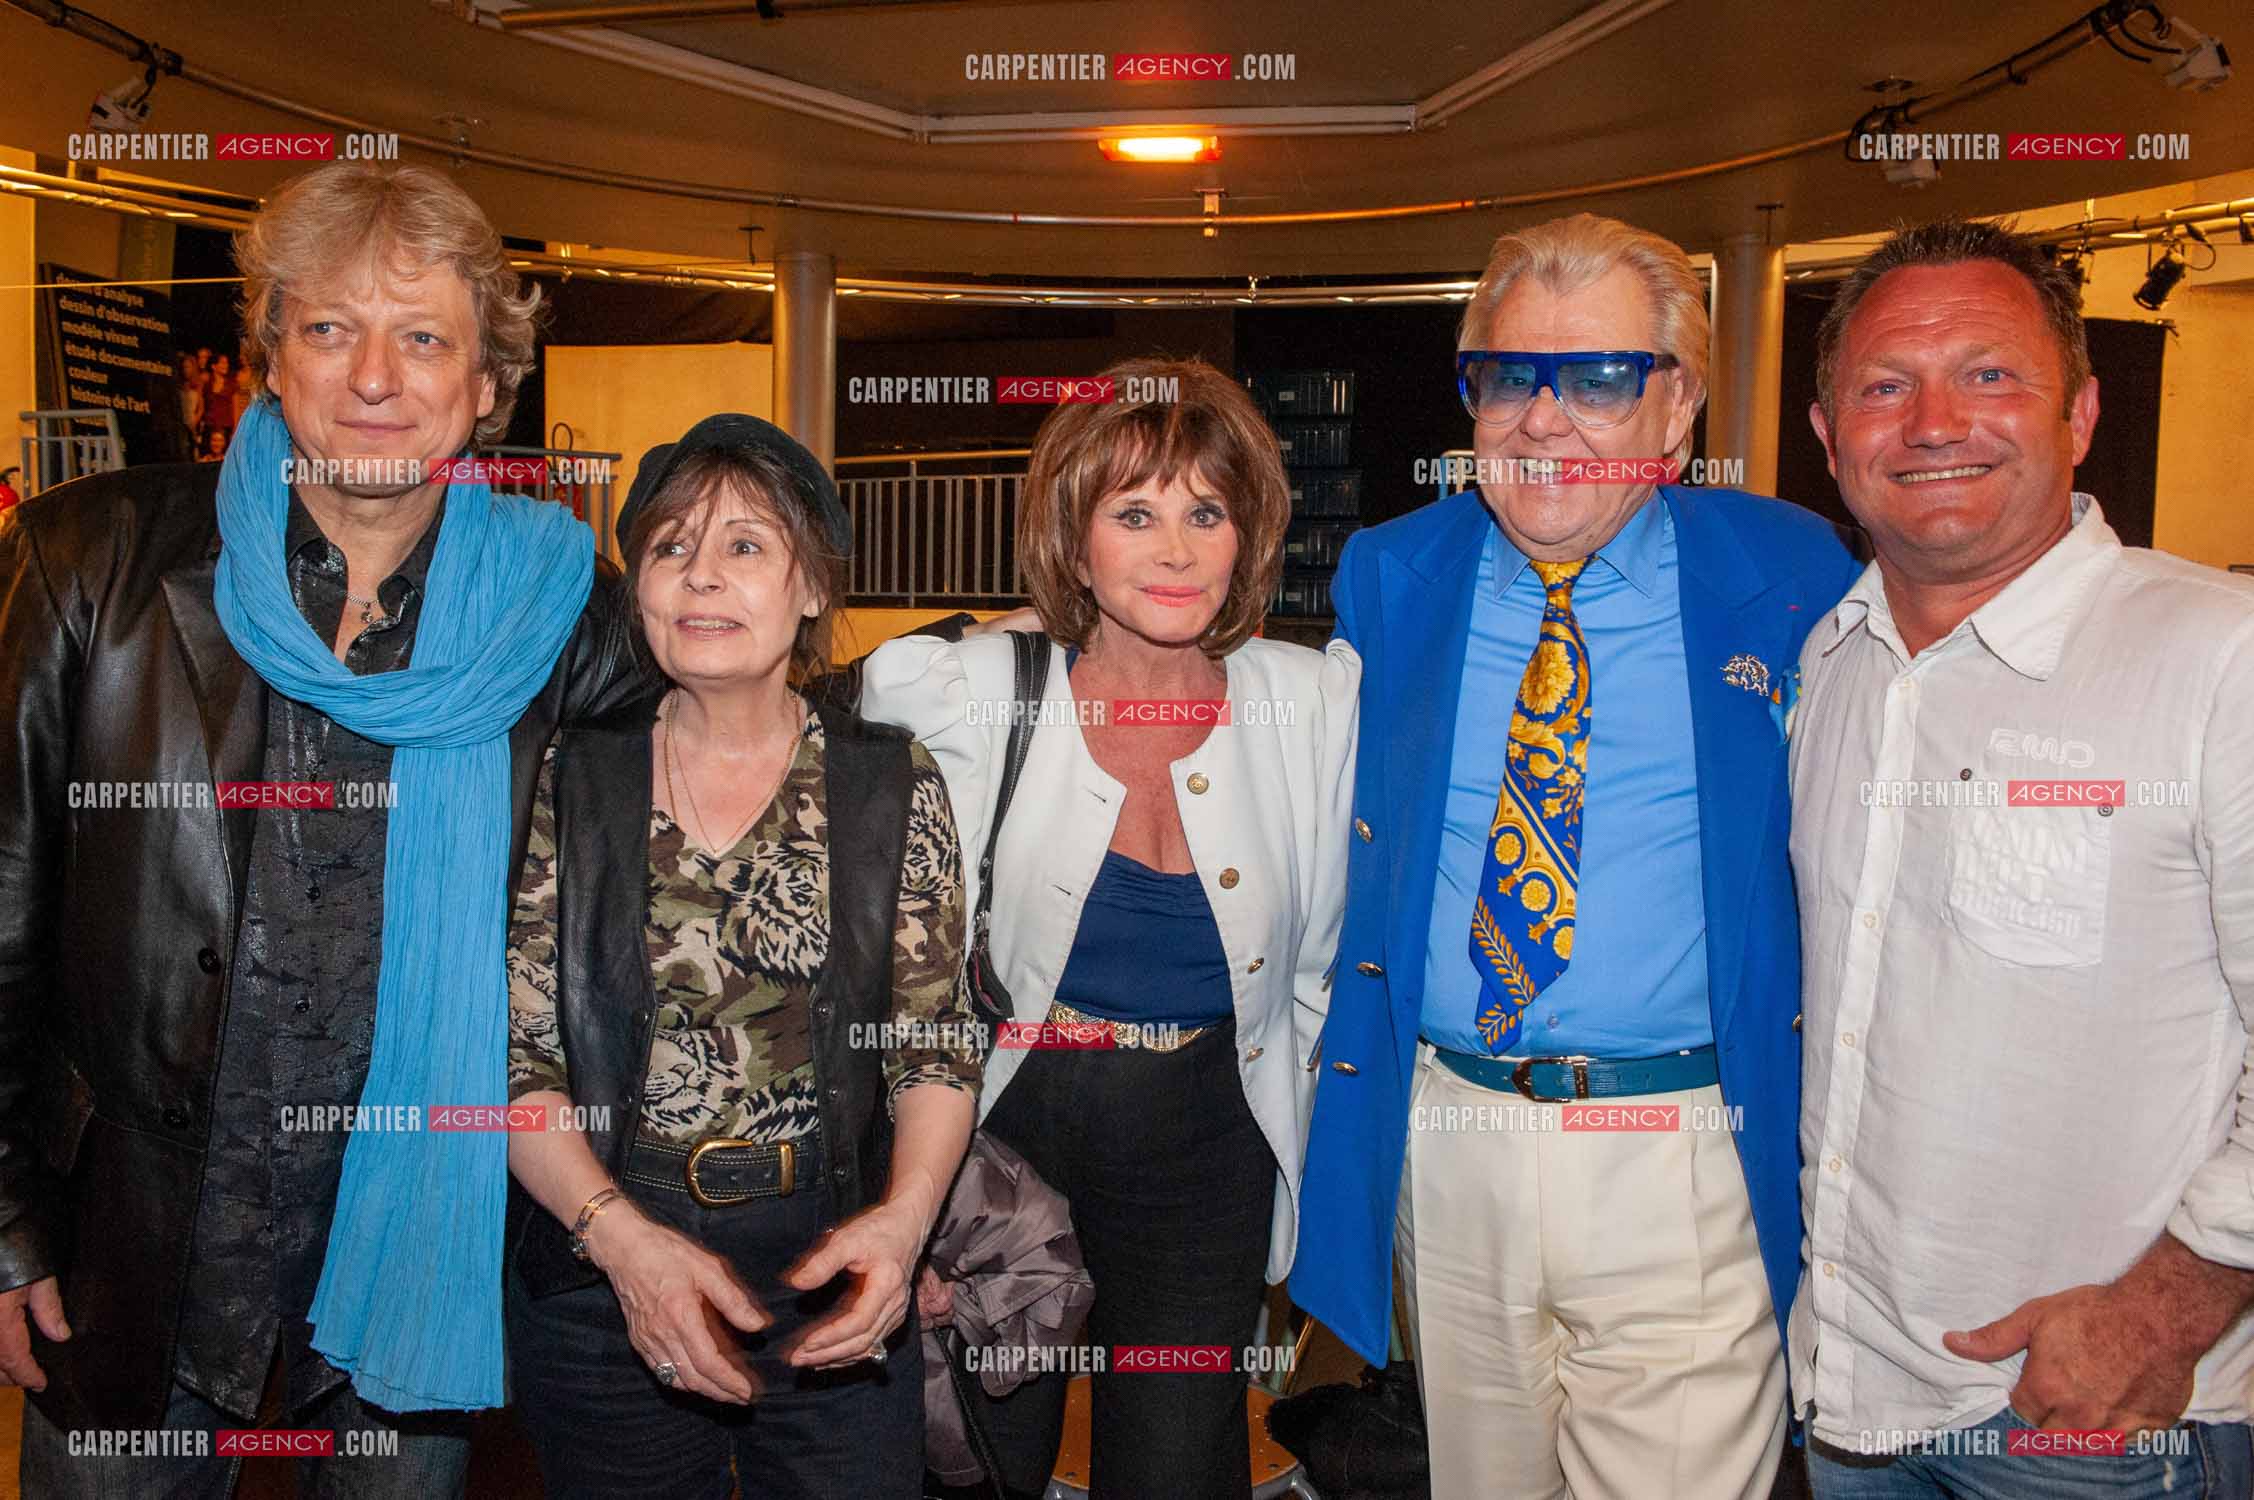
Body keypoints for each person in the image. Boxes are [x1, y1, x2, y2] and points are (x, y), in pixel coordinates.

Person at [0, 160, 637, 1499]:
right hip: (137, 1249)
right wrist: (5, 1224)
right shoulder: (91, 562)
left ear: (486, 385)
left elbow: (660, 894)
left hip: (426, 1243)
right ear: (271, 355)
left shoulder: (566, 615)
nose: (375, 378)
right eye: (332, 327)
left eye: (424, 339)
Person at [1291, 211, 1863, 1500]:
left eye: (1597, 378)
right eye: (1507, 376)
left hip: (1682, 1144)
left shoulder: (1788, 573)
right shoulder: (1391, 574)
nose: (1542, 419)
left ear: (1678, 409)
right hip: (1447, 1137)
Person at [1789, 217, 2254, 1498]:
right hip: (1843, 1394)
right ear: (1828, 437)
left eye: (1988, 375)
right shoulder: (1827, 664)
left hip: (2089, 1420)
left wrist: (2161, 1314)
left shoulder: (2218, 659)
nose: (1934, 422)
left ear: (2081, 413)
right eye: (1883, 387)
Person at [861, 355, 1359, 1500]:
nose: (1175, 550)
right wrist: (1058, 614)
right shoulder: (987, 689)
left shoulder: (1311, 702)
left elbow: (1319, 967)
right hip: (1011, 1129)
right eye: (1132, 515)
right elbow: (873, 684)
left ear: (1247, 538)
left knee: (1179, 1464)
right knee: (987, 1462)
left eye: (1205, 514)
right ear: (1073, 536)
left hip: (1208, 1141)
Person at [504, 413, 982, 1499]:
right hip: (602, 1258)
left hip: (833, 1262)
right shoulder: (569, 775)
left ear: (811, 587)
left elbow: (934, 1043)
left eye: (746, 546)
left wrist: (903, 1229)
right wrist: (622, 1246)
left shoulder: (889, 780)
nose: (701, 575)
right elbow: (515, 1057)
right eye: (671, 547)